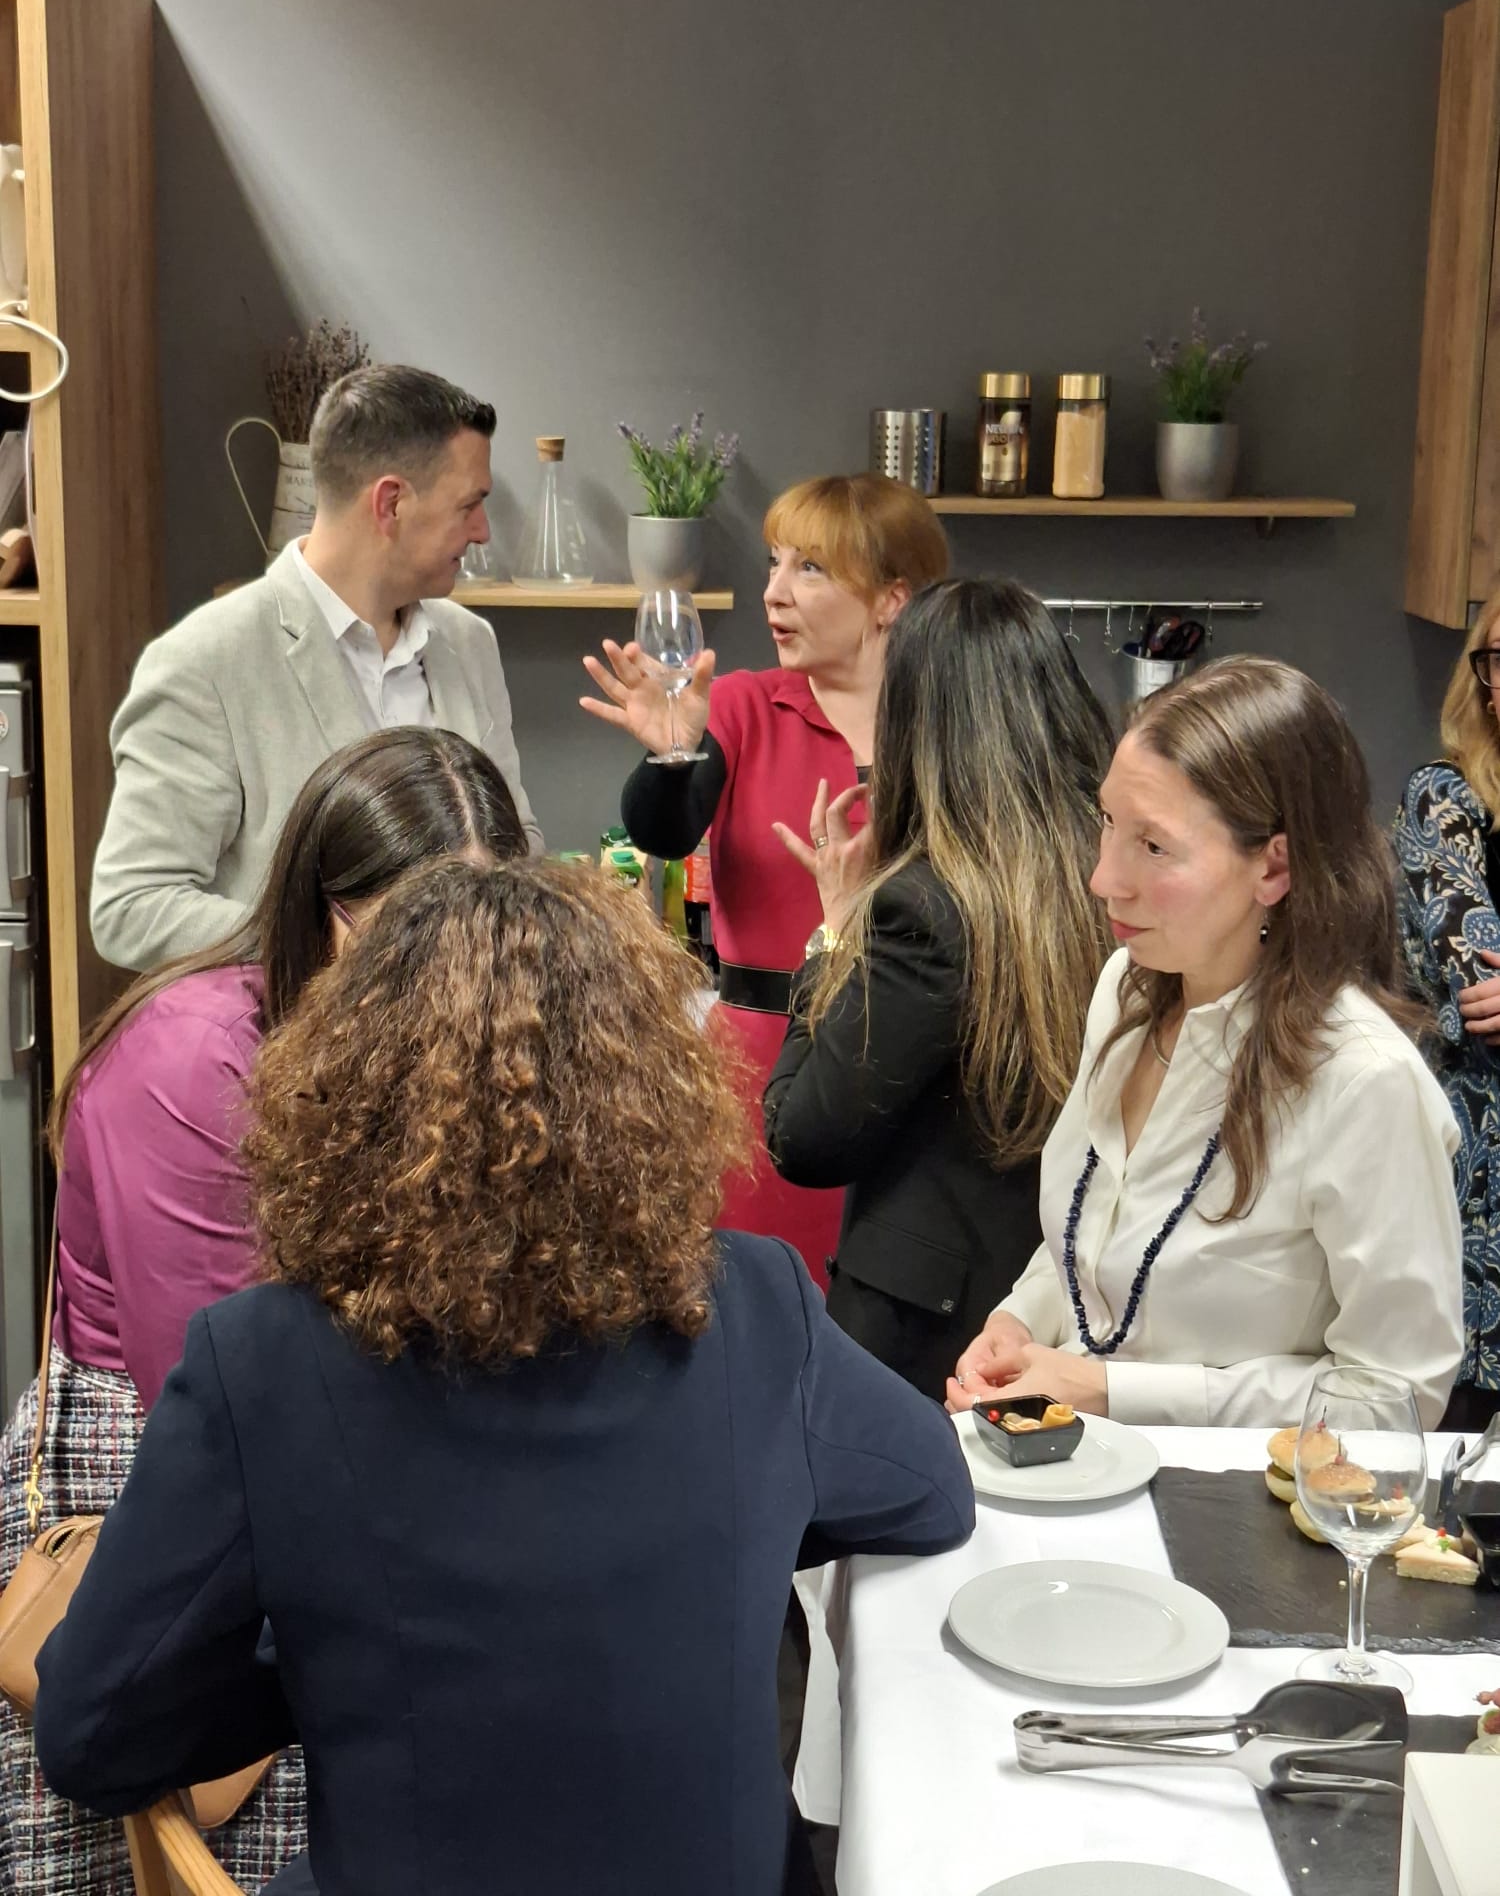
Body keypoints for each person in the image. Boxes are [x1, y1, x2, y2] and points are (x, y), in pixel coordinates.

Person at [32, 857, 973, 1896]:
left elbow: (91, 1732)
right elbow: (933, 1489)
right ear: (655, 1089)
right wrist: (718, 1551)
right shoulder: (753, 1302)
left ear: (346, 1090)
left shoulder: (259, 1362)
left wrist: (325, 1664)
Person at [0, 727, 527, 1896]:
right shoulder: (191, 1061)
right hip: (165, 1452)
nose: (456, 986)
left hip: (348, 1422)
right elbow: (235, 1394)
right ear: (321, 915)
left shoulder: (421, 1039)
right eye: (408, 940)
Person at [948, 656, 1464, 1431]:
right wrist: (1020, 1322)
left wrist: (1115, 1390)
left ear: (1274, 867)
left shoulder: (1364, 1080)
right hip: (1080, 1470)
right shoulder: (1126, 986)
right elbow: (1098, 1236)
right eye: (1107, 822)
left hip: (1236, 1502)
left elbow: (1396, 1397)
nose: (1103, 878)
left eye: (1154, 847)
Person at [582, 473, 949, 1284]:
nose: (773, 592)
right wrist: (671, 755)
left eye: (809, 568)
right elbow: (665, 830)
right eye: (775, 563)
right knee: (756, 1308)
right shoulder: (744, 704)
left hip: (911, 1077)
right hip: (761, 1080)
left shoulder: (947, 730)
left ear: (891, 599)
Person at [762, 579, 1114, 1398]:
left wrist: (834, 933)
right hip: (1059, 1316)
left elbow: (802, 1136)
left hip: (920, 1341)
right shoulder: (1109, 882)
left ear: (918, 728)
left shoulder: (924, 911)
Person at [90, 363, 543, 972]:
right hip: (291, 1032)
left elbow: (520, 845)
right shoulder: (203, 663)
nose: (482, 531)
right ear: (390, 503)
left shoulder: (471, 643)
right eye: (470, 505)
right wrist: (337, 946)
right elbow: (131, 907)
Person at [1395, 587, 1500, 1429]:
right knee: (1456, 1458)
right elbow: (1480, 978)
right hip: (1479, 1192)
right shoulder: (1447, 798)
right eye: (1499, 660)